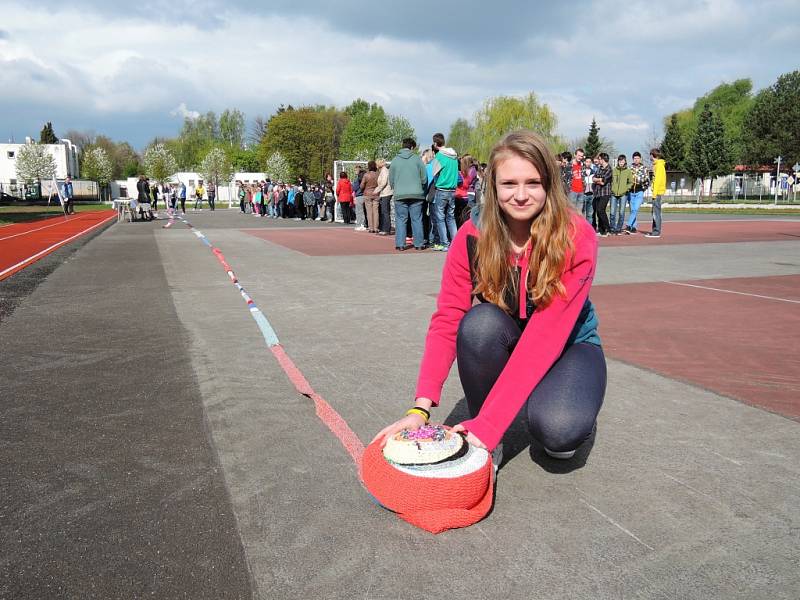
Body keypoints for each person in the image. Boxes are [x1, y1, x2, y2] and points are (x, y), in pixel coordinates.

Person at [373, 129, 605, 467]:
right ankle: (488, 432)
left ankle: (549, 403)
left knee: (558, 434)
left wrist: (489, 425)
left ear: (550, 185)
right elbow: (448, 318)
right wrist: (420, 407)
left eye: (534, 183)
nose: (521, 195)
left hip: (569, 346)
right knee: (477, 325)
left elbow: (544, 339)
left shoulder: (576, 237)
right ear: (493, 186)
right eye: (509, 184)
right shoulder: (471, 236)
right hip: (507, 338)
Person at [389, 137, 427, 251]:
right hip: (416, 194)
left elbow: (391, 179)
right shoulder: (417, 159)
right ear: (412, 147)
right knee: (417, 219)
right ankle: (419, 244)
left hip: (400, 194)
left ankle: (400, 244)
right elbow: (424, 178)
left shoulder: (395, 160)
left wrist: (395, 187)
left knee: (401, 219)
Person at [431, 133, 459, 251]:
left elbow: (434, 172)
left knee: (440, 217)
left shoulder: (439, 157)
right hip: (452, 190)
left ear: (436, 144)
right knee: (451, 217)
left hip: (442, 189)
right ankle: (455, 242)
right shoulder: (454, 156)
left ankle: (445, 243)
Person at [624, 152, 648, 234]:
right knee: (632, 210)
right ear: (633, 159)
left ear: (640, 159)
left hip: (639, 192)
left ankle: (628, 225)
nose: (636, 160)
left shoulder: (644, 168)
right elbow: (626, 179)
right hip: (631, 192)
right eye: (635, 158)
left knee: (635, 209)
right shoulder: (629, 168)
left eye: (637, 158)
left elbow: (647, 180)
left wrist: (643, 189)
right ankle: (633, 227)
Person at [646, 149, 666, 238]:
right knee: (654, 212)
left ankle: (656, 231)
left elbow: (657, 180)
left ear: (654, 155)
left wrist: (654, 193)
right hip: (656, 192)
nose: (650, 157)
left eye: (651, 155)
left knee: (656, 212)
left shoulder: (659, 166)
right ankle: (654, 230)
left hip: (657, 193)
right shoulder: (656, 165)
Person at [591, 153, 613, 236]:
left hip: (605, 193)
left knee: (601, 210)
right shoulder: (599, 168)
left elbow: (603, 181)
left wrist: (598, 180)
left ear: (603, 159)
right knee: (597, 211)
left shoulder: (609, 169)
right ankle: (601, 230)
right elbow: (593, 178)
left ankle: (608, 228)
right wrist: (598, 179)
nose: (598, 160)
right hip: (597, 193)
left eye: (599, 159)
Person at [610, 155, 632, 234]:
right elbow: (611, 181)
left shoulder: (628, 171)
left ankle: (618, 228)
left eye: (623, 161)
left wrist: (626, 189)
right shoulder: (614, 170)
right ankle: (612, 228)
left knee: (621, 212)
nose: (621, 163)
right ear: (618, 161)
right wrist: (612, 188)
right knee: (612, 212)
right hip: (613, 194)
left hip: (623, 194)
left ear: (625, 161)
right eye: (620, 161)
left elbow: (630, 182)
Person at [374, 158, 393, 236]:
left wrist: (376, 190)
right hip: (384, 193)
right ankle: (385, 228)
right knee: (384, 211)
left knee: (385, 211)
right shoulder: (382, 171)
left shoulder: (384, 170)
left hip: (386, 193)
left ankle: (386, 229)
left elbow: (383, 182)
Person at [361, 161, 380, 232]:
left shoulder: (366, 175)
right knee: (376, 211)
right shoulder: (378, 174)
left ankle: (371, 227)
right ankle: (376, 227)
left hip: (367, 194)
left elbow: (362, 186)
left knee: (369, 211)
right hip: (376, 193)